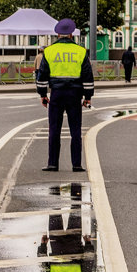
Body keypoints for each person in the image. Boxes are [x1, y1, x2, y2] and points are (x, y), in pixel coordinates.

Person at [35, 18, 94, 173]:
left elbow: (42, 76)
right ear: (71, 35)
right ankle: (76, 164)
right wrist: (87, 97)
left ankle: (53, 163)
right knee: (76, 130)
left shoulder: (49, 51)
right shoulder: (81, 51)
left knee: (54, 129)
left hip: (57, 94)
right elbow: (88, 76)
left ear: (58, 34)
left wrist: (43, 94)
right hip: (75, 95)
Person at [38, 183, 97, 272]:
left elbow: (87, 266)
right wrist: (43, 246)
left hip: (74, 245)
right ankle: (53, 185)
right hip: (56, 245)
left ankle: (75, 185)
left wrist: (88, 244)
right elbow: (43, 267)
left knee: (75, 209)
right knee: (55, 211)